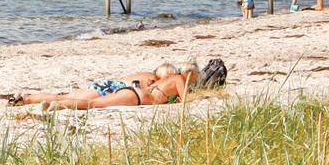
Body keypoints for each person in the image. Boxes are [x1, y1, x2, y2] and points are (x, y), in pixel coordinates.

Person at [14, 59, 225, 111]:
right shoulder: (178, 80)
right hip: (136, 96)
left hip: (127, 90)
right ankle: (59, 106)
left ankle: (29, 99)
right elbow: (185, 101)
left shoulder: (162, 79)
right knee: (94, 105)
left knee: (79, 98)